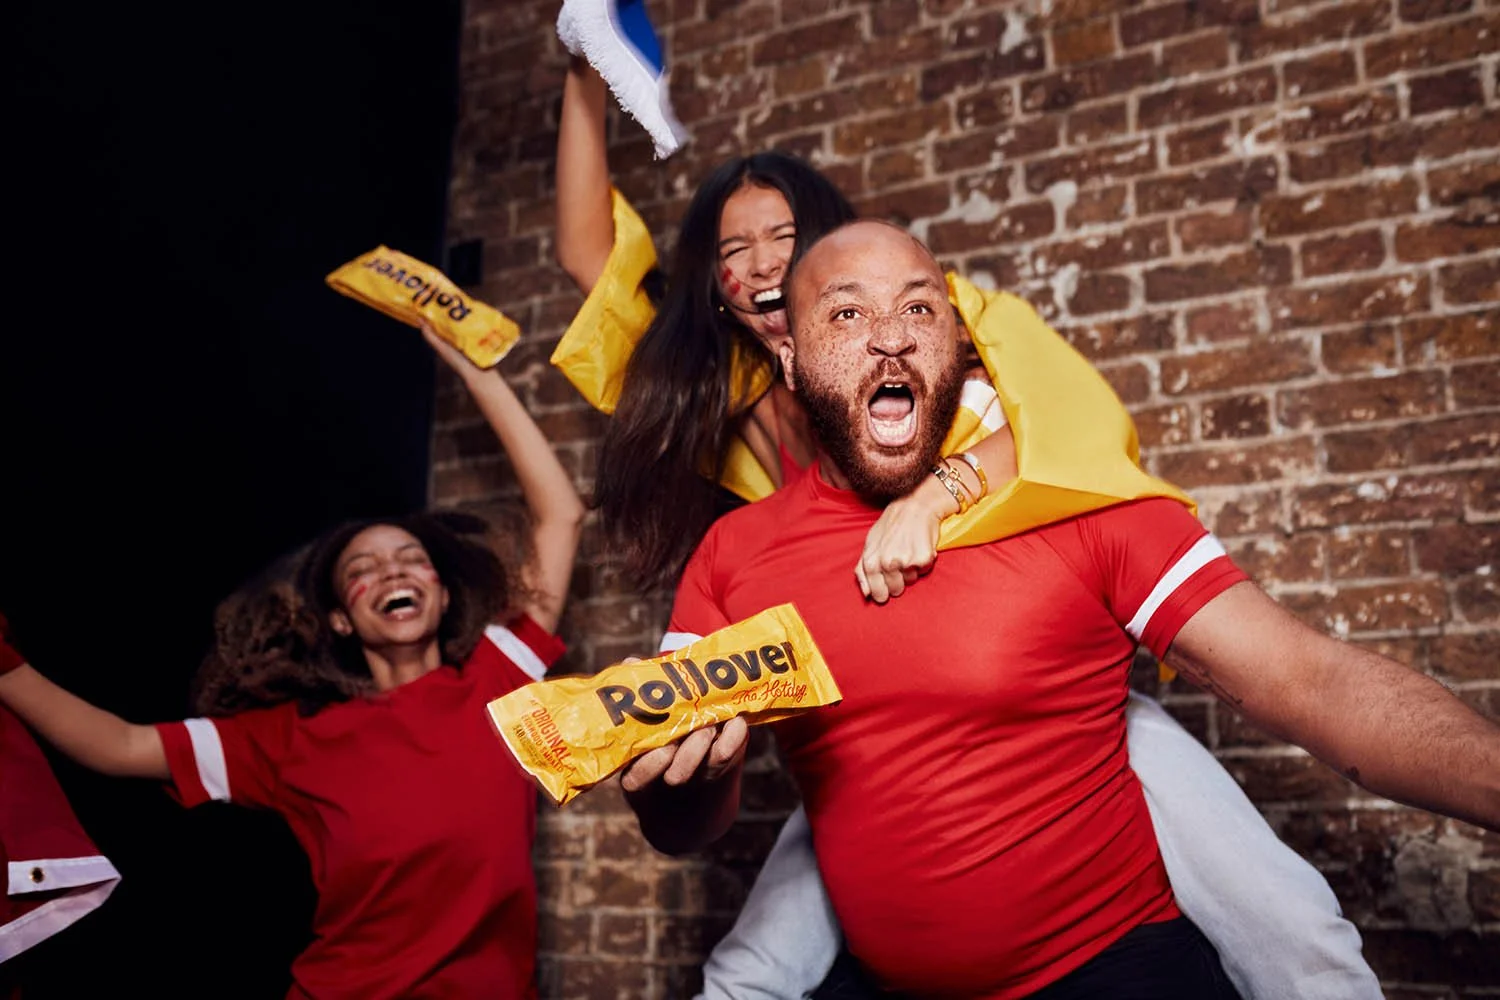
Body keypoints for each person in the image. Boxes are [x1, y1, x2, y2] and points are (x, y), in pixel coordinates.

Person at [553, 41, 1383, 1000]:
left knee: (1287, 923)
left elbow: (1060, 425)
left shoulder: (919, 329)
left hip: (1029, 697)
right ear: (715, 283)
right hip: (859, 724)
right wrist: (585, 61)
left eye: (783, 236)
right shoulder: (718, 393)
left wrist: (936, 493)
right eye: (734, 251)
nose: (763, 262)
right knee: (750, 969)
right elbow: (589, 258)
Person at [623, 220, 1500, 998]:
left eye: (919, 309)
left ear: (960, 345)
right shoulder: (734, 557)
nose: (890, 337)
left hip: (1118, 968)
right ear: (789, 358)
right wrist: (678, 781)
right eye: (846, 314)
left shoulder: (1074, 503)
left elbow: (1314, 682)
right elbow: (686, 826)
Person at [0, 323, 585, 999]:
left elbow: (562, 518)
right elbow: (121, 745)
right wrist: (6, 666)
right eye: (363, 569)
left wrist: (475, 369)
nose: (392, 571)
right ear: (342, 618)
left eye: (410, 559)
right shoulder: (295, 737)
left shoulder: (498, 678)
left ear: (443, 593)